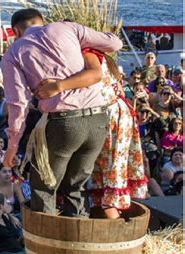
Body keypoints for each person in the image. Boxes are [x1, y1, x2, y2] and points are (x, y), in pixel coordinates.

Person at [3, 8, 123, 216]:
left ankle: (48, 247)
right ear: (42, 21)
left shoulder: (14, 53)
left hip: (64, 123)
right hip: (98, 119)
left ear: (15, 30)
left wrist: (12, 147)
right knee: (75, 187)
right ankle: (79, 244)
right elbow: (115, 43)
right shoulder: (67, 28)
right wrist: (82, 43)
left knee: (44, 187)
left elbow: (18, 104)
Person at [37, 49, 148, 219]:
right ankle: (106, 212)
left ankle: (114, 224)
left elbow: (93, 79)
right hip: (113, 112)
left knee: (108, 170)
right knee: (103, 167)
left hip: (108, 114)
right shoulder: (98, 54)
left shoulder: (87, 54)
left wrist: (57, 85)